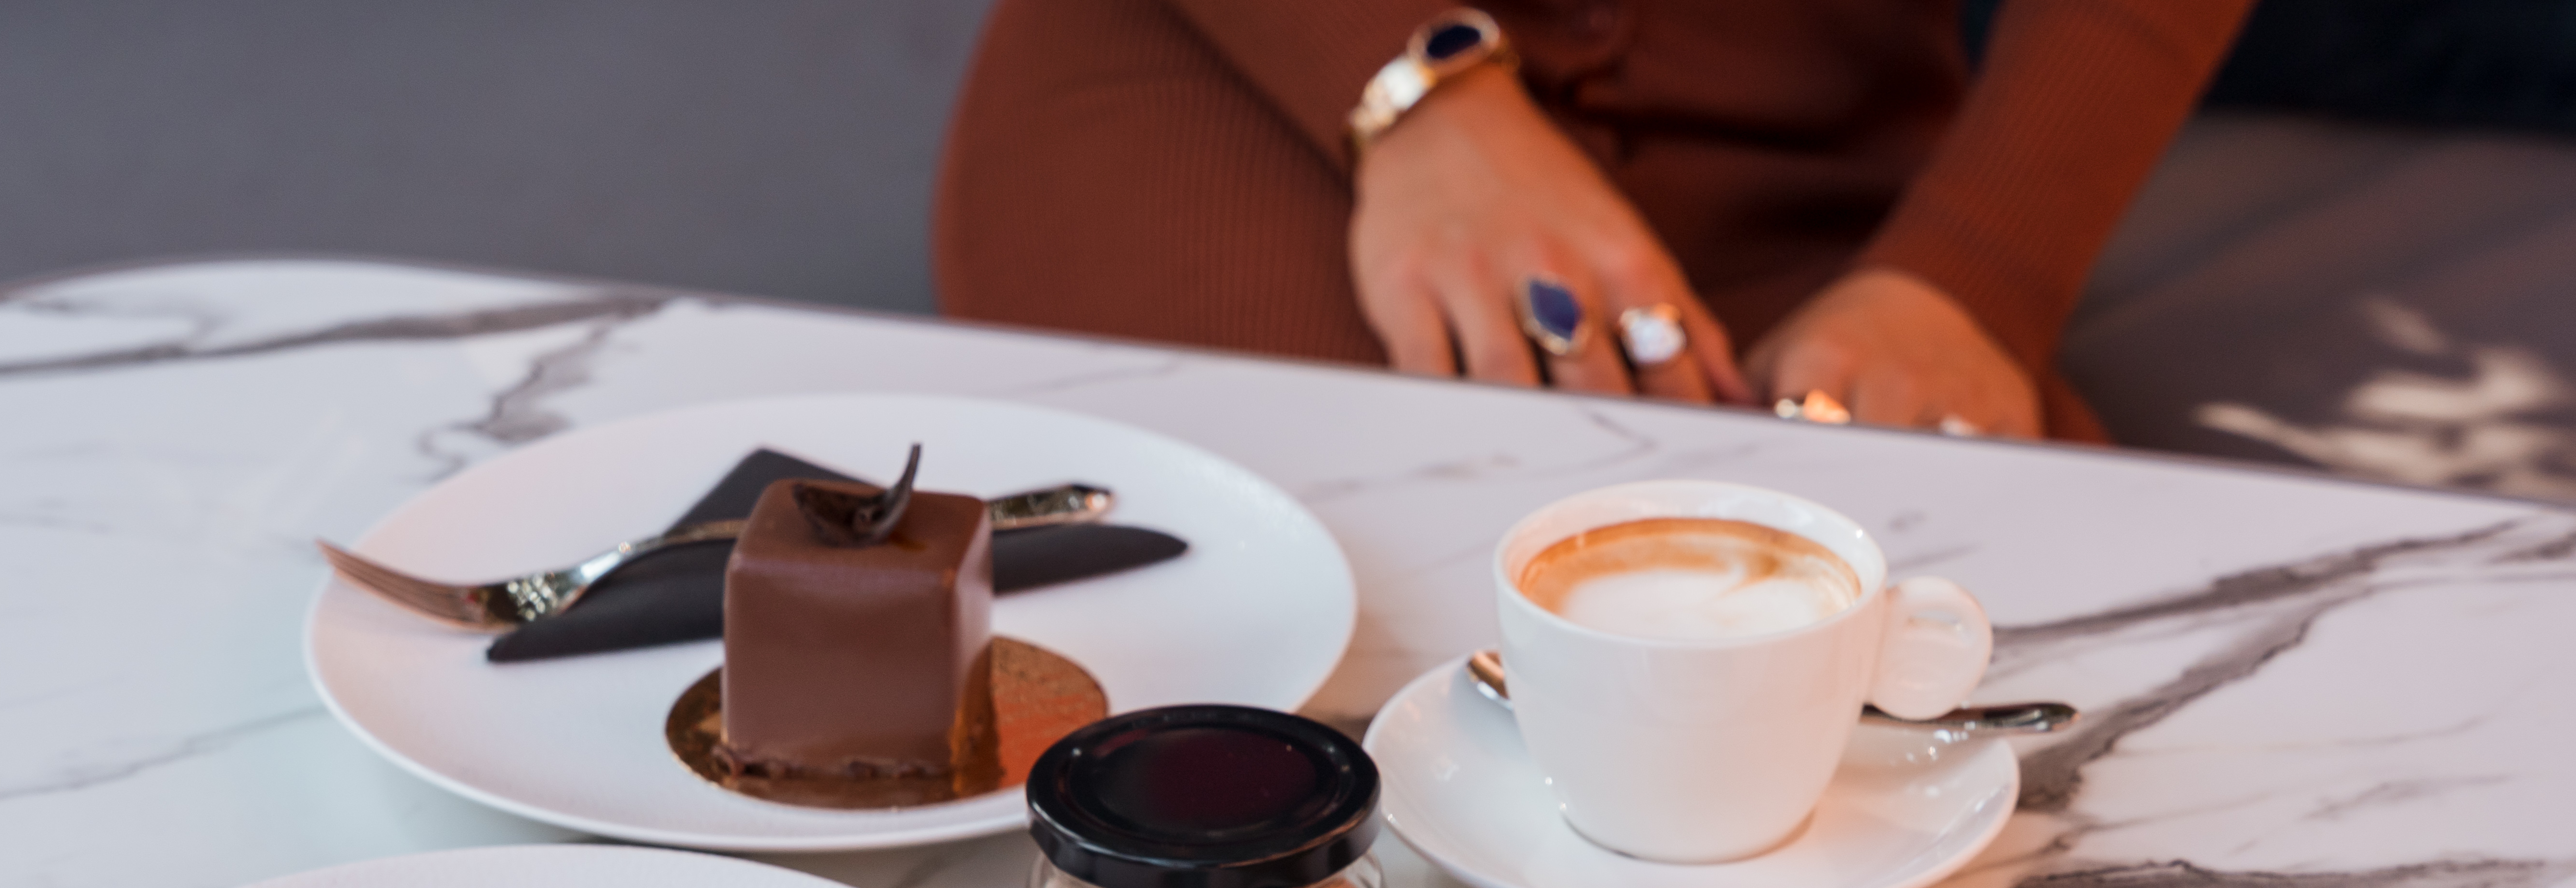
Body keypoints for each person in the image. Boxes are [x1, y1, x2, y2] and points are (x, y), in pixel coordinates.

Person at [933, 0, 2256, 440]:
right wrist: (1419, 95)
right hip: (1261, 74)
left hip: (1816, 142)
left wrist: (1973, 275)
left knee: (1957, 686)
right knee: (1292, 661)